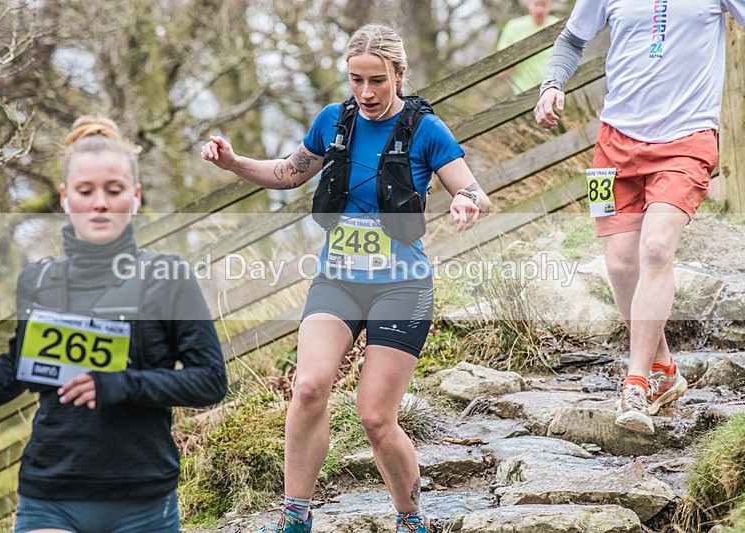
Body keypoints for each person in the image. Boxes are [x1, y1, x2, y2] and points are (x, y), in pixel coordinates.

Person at [201, 23, 490, 533]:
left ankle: (411, 519)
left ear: (399, 73)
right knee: (309, 387)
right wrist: (234, 162)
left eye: (377, 80)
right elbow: (288, 172)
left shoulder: (425, 130)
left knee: (375, 417)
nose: (366, 92)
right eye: (356, 80)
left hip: (402, 286)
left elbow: (473, 190)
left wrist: (466, 202)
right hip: (337, 281)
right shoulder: (334, 122)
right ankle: (295, 517)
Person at [0, 116, 228, 532]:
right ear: (65, 197)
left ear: (135, 196)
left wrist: (123, 384)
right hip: (50, 495)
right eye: (85, 191)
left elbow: (210, 381)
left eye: (113, 191)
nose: (99, 203)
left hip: (144, 498)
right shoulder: (39, 281)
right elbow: (17, 367)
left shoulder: (168, 278)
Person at [534, 0, 745, 434]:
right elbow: (572, 39)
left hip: (688, 140)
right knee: (619, 265)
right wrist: (551, 85)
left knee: (656, 250)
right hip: (612, 145)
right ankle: (664, 368)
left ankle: (635, 385)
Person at [497, 0, 559, 95]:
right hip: (524, 93)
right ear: (527, 4)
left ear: (551, 5)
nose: (539, 10)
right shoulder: (513, 28)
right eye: (536, 4)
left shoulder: (559, 26)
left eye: (544, 4)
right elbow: (500, 71)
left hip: (555, 90)